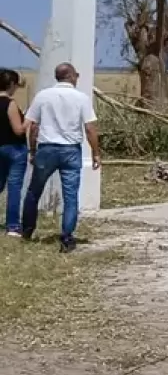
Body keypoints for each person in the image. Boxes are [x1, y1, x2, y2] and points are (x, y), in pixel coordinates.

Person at [22, 63, 101, 252]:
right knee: (71, 196)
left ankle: (27, 230)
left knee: (34, 191)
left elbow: (33, 126)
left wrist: (32, 150)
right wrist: (96, 152)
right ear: (71, 76)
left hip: (47, 148)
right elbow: (89, 128)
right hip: (70, 150)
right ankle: (66, 237)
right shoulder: (81, 98)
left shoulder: (43, 96)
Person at [0, 69, 29, 237]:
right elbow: (18, 130)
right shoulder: (10, 104)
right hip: (14, 148)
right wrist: (28, 121)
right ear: (11, 84)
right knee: (14, 187)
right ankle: (12, 225)